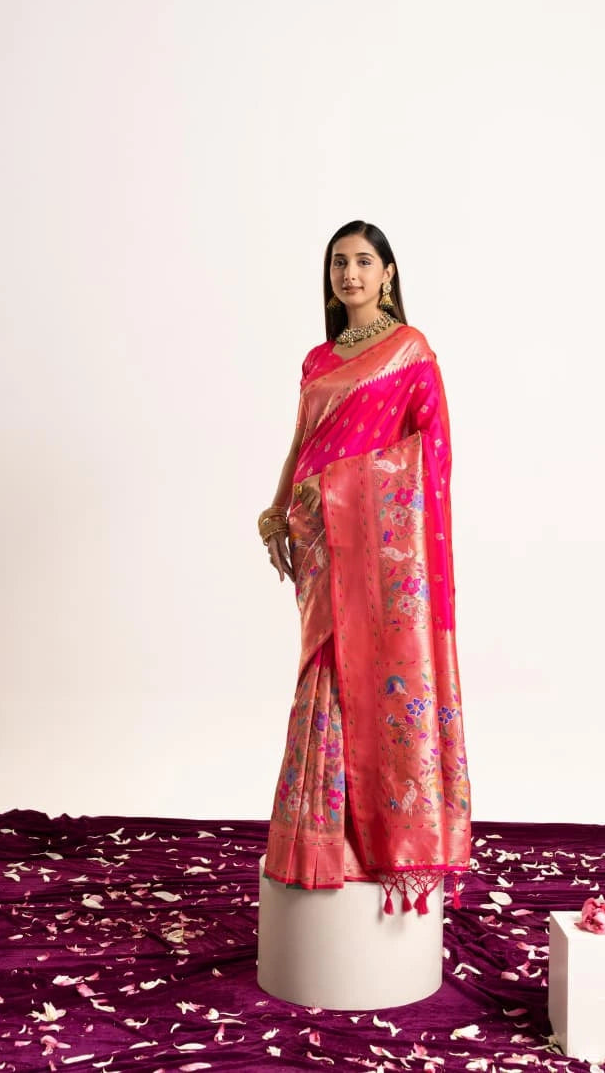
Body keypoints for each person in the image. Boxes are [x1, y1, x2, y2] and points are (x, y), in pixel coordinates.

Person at [257, 220, 470, 914]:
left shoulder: (410, 352)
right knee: (322, 673)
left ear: (388, 273)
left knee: (371, 675)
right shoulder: (318, 361)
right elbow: (302, 444)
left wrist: (342, 488)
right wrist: (278, 504)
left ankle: (373, 841)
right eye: (338, 263)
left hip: (376, 546)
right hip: (318, 538)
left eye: (362, 262)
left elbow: (431, 458)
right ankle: (319, 839)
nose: (349, 274)